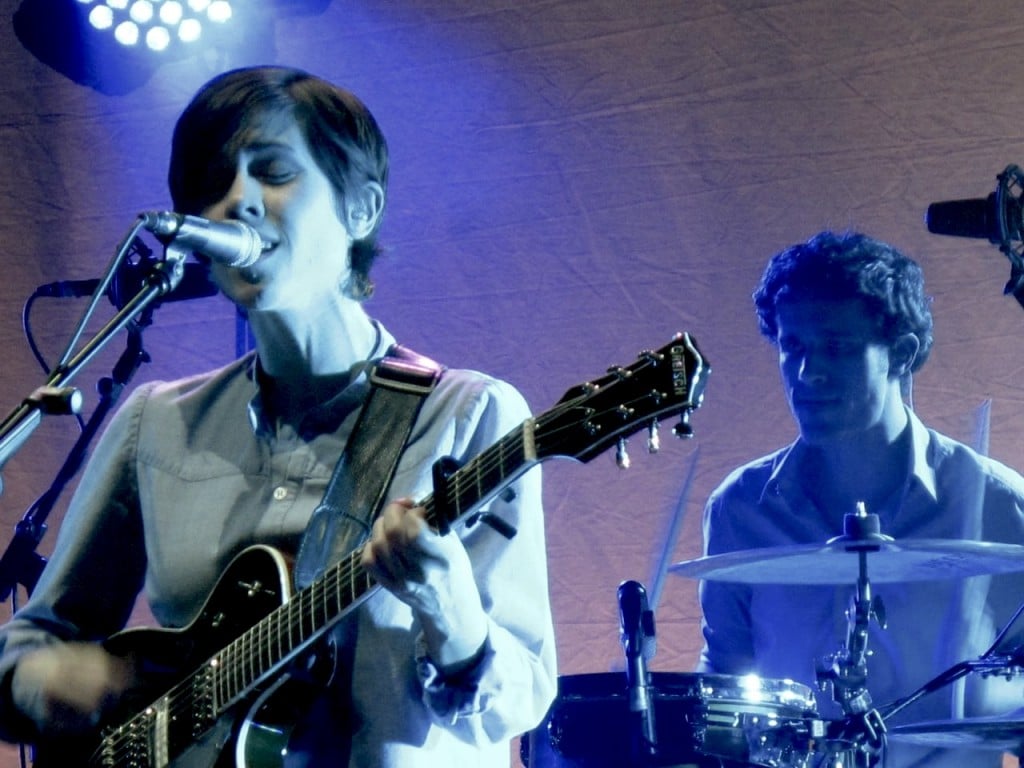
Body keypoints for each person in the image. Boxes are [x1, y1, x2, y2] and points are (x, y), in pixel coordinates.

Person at [0, 66, 557, 766]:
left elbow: (522, 699)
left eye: (272, 172)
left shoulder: (469, 414)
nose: (237, 200)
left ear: (361, 211)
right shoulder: (156, 423)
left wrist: (450, 607)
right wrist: (37, 678)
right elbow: (34, 637)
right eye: (213, 185)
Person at [697, 230, 1024, 768]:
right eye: (792, 347)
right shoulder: (740, 508)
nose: (807, 374)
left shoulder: (996, 505)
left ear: (902, 354)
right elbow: (725, 691)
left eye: (836, 347)